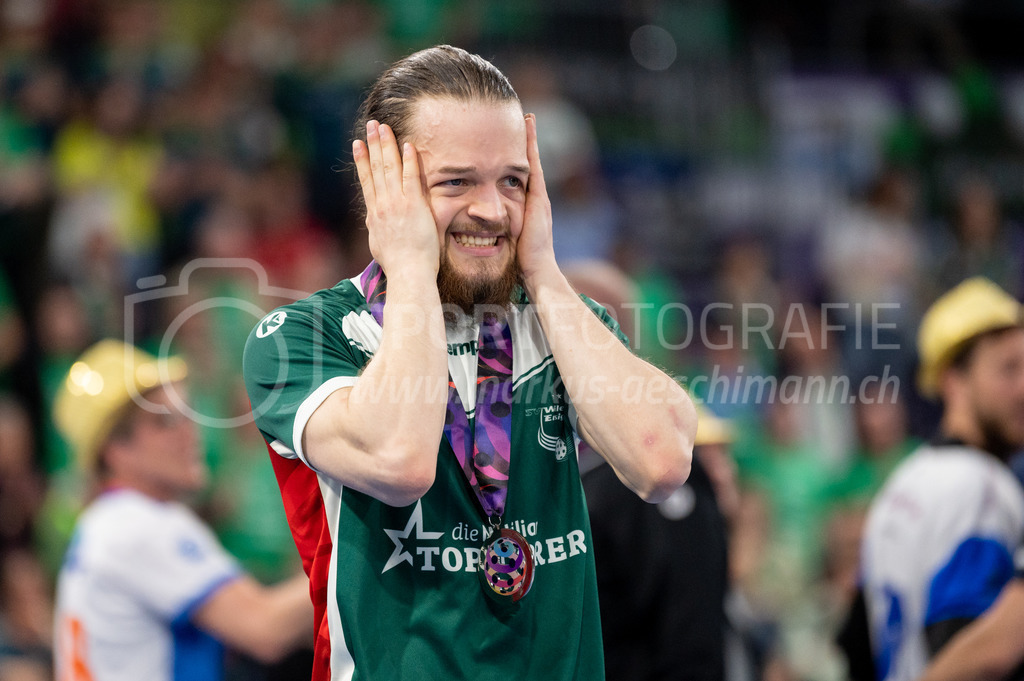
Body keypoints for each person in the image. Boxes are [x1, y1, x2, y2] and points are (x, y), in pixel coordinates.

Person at [242, 44, 696, 681]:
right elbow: (400, 460)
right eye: (457, 181)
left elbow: (662, 461)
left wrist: (543, 271)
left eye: (512, 180)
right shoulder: (305, 336)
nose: (492, 210)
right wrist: (408, 270)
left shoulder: (561, 322)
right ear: (383, 184)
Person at [51, 339, 313, 681]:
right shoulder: (139, 525)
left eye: (187, 413)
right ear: (115, 450)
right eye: (165, 421)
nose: (190, 431)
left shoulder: (105, 524)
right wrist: (355, 558)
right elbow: (265, 629)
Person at [850, 277, 1024, 681]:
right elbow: (973, 649)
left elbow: (854, 644)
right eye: (1008, 369)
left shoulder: (901, 483)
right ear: (952, 381)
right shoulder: (983, 489)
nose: (1023, 389)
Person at [582, 403, 731, 680]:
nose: (726, 472)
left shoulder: (592, 487)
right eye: (713, 455)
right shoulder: (672, 496)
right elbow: (690, 630)